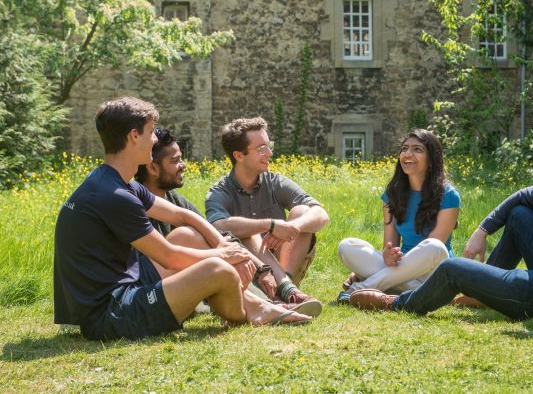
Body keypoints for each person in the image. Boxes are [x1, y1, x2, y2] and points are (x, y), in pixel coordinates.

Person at [348, 110, 533, 338]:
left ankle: (395, 302)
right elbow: (522, 196)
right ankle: (484, 293)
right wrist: (483, 230)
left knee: (452, 268)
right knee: (519, 213)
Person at [54, 97, 309, 341]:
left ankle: (256, 306)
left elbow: (182, 215)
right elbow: (169, 257)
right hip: (111, 312)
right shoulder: (115, 195)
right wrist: (225, 257)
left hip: (125, 284)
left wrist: (221, 245)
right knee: (218, 270)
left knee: (189, 235)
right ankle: (255, 310)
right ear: (134, 136)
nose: (154, 139)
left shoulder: (115, 181)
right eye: (151, 131)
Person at [134, 127, 319, 317]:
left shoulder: (175, 201)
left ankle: (281, 294)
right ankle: (267, 303)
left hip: (187, 281)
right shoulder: (132, 204)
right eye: (174, 161)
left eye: (181, 158)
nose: (183, 165)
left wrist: (260, 269)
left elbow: (217, 236)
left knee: (223, 242)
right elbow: (211, 232)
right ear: (152, 167)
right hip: (151, 291)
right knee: (192, 237)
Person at [205, 117, 328, 311]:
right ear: (238, 155)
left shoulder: (276, 182)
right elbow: (216, 226)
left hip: (284, 267)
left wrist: (292, 227)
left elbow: (321, 214)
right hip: (248, 270)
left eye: (268, 145)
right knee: (247, 232)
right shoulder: (219, 192)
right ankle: (285, 293)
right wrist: (269, 225)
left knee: (302, 212)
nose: (269, 153)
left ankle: (285, 289)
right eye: (261, 148)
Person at [337, 129, 460, 303]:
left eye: (417, 149)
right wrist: (388, 255)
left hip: (433, 270)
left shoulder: (449, 195)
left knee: (434, 246)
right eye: (404, 149)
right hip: (401, 269)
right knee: (346, 246)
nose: (408, 154)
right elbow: (391, 245)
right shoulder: (393, 194)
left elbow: (435, 244)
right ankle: (409, 290)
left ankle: (360, 289)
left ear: (432, 159)